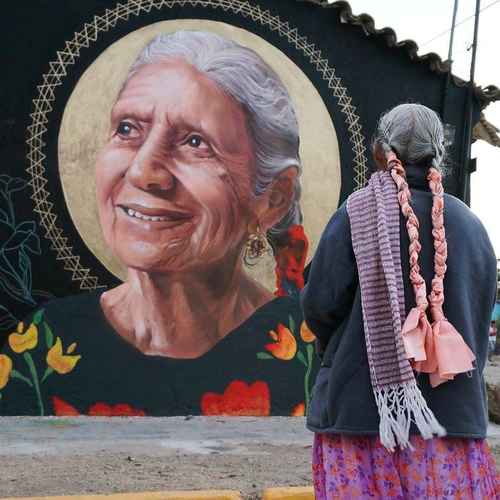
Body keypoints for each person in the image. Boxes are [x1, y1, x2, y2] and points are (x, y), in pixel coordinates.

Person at [0, 31, 316, 416]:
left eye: (196, 142)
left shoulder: (310, 352)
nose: (143, 171)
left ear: (272, 200)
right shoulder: (40, 351)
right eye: (128, 129)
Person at [302, 103, 498, 498]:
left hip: (361, 422)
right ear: (439, 154)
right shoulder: (472, 228)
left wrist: (342, 350)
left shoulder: (352, 216)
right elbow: (478, 322)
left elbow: (320, 306)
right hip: (451, 424)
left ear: (379, 152)